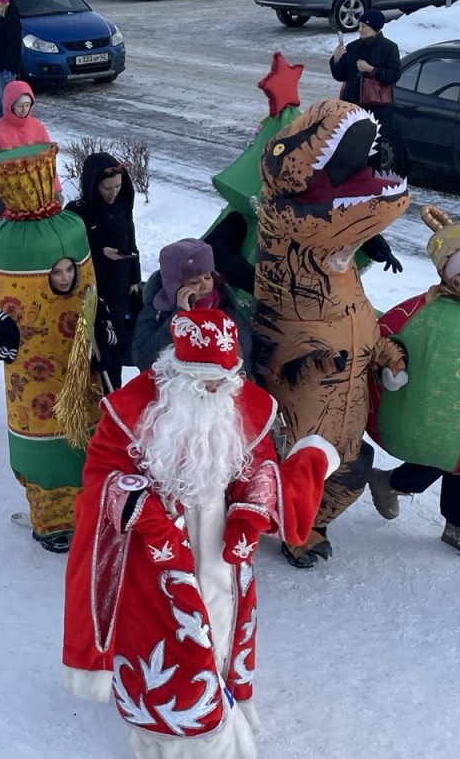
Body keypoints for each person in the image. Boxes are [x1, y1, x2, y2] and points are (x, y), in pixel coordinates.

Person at [62, 307, 339, 759]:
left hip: (219, 547)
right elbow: (102, 478)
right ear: (177, 372)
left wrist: (249, 515)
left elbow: (259, 464)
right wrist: (150, 519)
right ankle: (181, 734)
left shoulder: (239, 401)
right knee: (170, 643)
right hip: (152, 554)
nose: (217, 390)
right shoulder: (131, 410)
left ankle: (224, 699)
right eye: (205, 382)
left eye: (225, 380)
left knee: (223, 625)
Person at [367, 205, 460, 553]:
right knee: (441, 454)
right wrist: (394, 365)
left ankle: (454, 522)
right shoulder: (425, 310)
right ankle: (390, 481)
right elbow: (389, 333)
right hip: (434, 408)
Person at [65, 153, 141, 387]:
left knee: (115, 347)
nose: (113, 192)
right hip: (91, 289)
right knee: (93, 350)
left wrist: (134, 279)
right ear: (93, 185)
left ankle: (113, 396)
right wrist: (100, 253)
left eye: (117, 186)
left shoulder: (122, 204)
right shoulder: (78, 211)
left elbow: (131, 240)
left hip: (119, 288)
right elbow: (70, 253)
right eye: (108, 188)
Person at [132, 238, 254, 376]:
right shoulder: (159, 310)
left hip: (226, 390)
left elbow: (241, 344)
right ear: (174, 286)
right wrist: (179, 317)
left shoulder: (223, 300)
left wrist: (257, 348)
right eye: (194, 282)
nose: (205, 286)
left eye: (208, 277)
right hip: (182, 391)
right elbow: (142, 358)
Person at [0, 81, 60, 198]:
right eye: (20, 106)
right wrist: (5, 164)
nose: (24, 110)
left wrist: (56, 189)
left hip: (38, 193)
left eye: (27, 105)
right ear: (10, 105)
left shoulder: (37, 126)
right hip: (7, 194)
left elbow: (49, 161)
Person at [330, 9, 400, 129]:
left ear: (374, 29)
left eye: (364, 26)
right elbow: (340, 76)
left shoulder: (389, 48)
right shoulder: (352, 47)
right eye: (359, 26)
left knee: (372, 144)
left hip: (376, 108)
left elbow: (394, 75)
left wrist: (371, 70)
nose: (360, 30)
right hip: (352, 105)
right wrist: (336, 60)